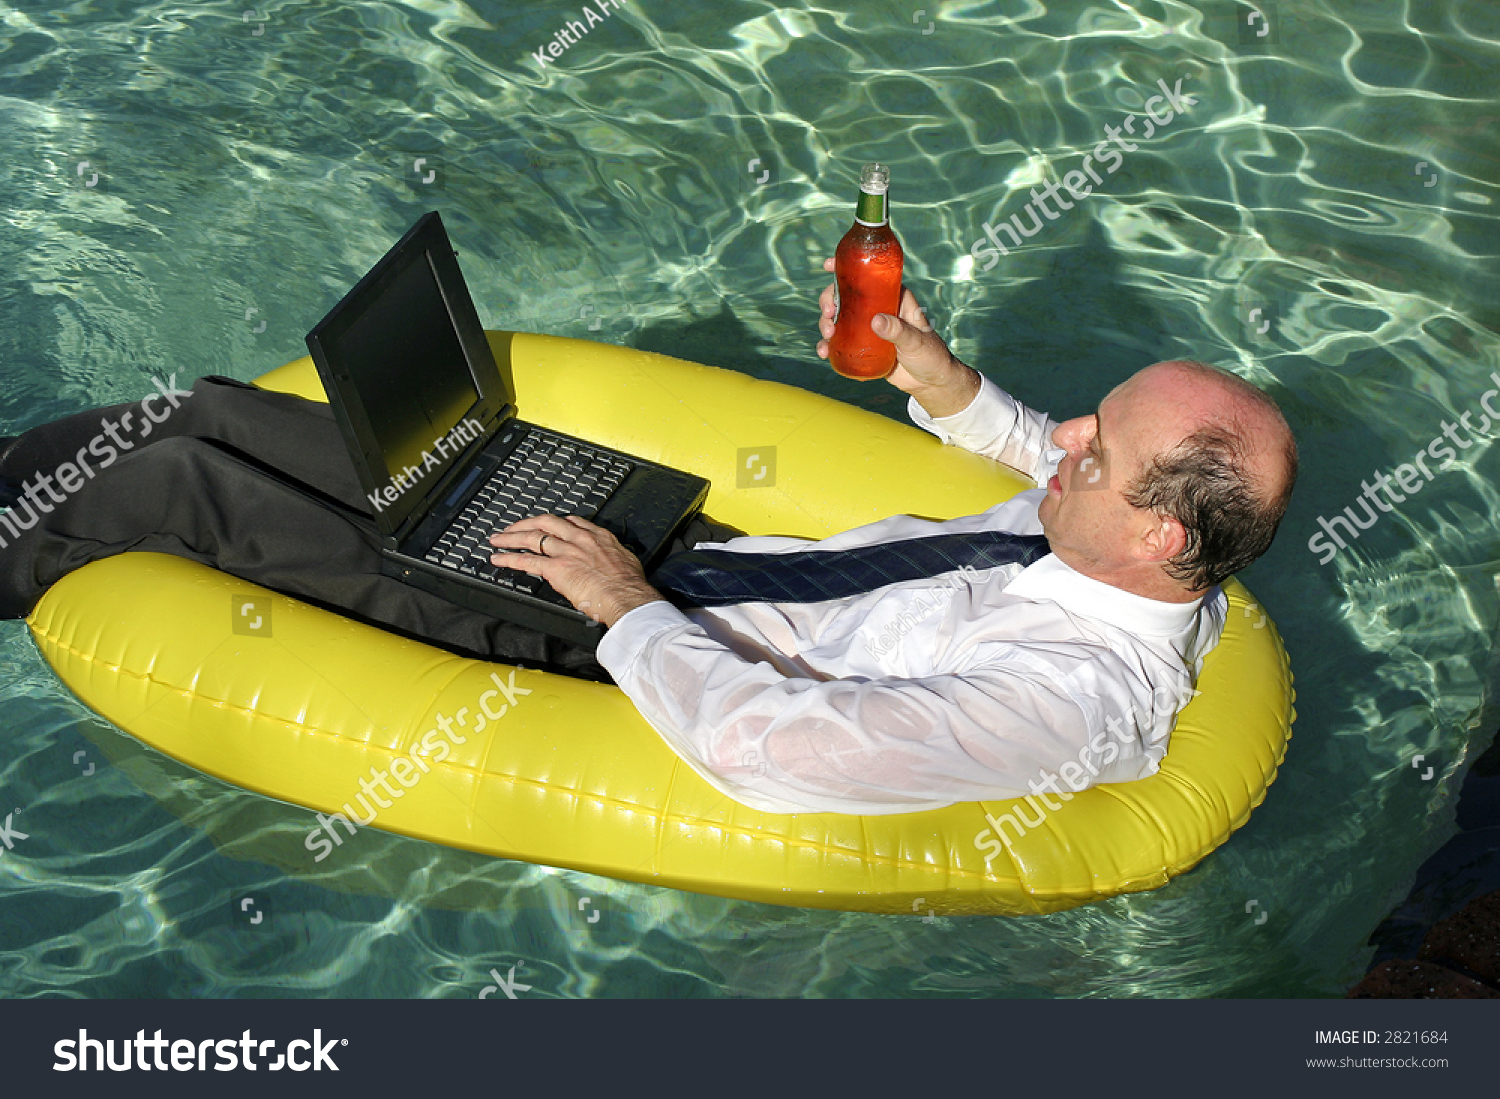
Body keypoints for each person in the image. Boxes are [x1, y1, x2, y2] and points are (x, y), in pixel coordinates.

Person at [0, 260, 1297, 815]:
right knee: (219, 412)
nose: (1064, 434)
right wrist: (948, 383)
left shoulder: (1077, 694)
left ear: (1158, 526)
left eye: (1097, 445)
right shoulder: (1114, 539)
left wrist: (623, 603)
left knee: (180, 487)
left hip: (600, 633)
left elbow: (782, 753)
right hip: (685, 544)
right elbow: (1031, 453)